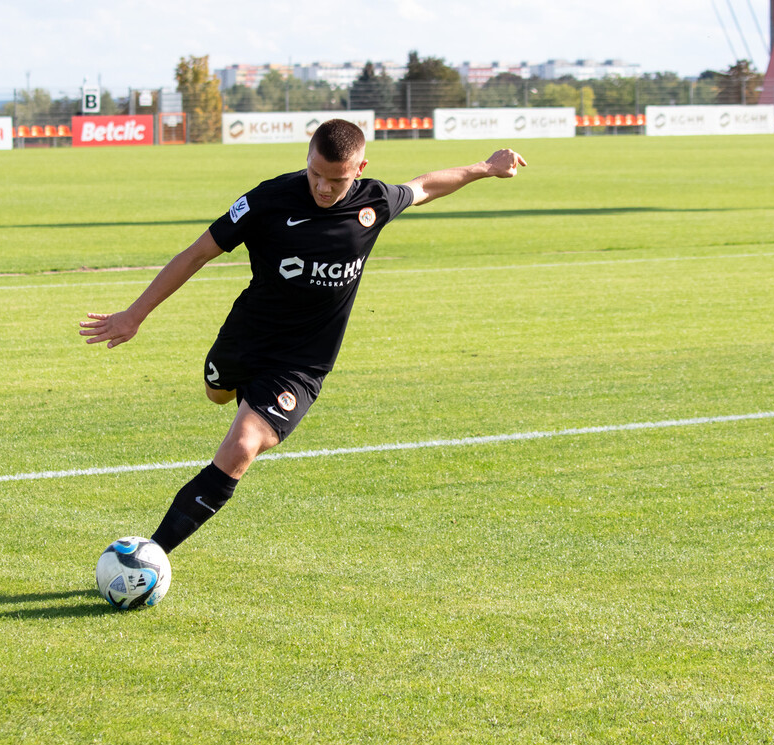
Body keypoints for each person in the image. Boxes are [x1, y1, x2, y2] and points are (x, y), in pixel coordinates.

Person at [80, 119, 526, 554]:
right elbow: (197, 254)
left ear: (360, 168)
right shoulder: (268, 200)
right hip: (248, 337)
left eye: (335, 179)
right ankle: (238, 395)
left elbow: (425, 186)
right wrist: (134, 315)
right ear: (307, 159)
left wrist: (486, 167)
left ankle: (151, 555)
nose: (324, 187)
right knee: (217, 393)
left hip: (303, 362)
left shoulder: (374, 203)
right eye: (315, 174)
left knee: (241, 445)